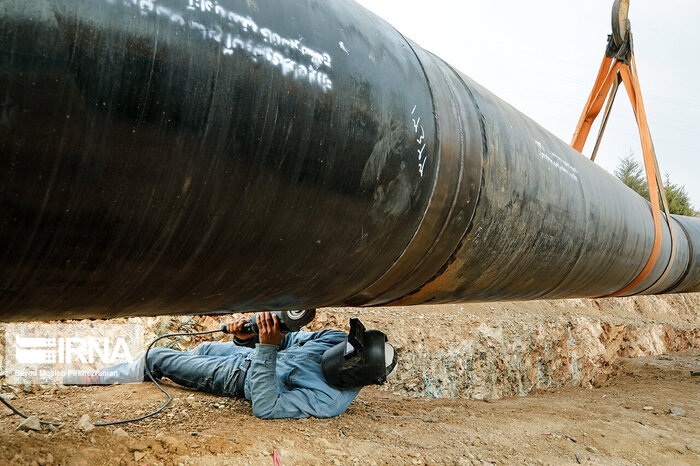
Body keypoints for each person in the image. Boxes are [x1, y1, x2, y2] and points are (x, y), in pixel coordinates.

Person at [64, 312, 397, 419]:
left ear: (356, 372)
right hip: (248, 357)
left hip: (241, 377)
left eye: (351, 350)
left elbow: (267, 406)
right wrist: (246, 337)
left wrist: (264, 351)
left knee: (157, 357)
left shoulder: (329, 401)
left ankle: (97, 376)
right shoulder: (334, 340)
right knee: (206, 345)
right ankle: (177, 364)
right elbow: (287, 340)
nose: (345, 345)